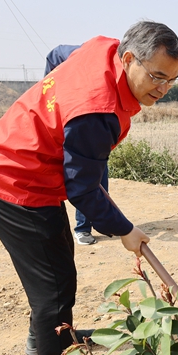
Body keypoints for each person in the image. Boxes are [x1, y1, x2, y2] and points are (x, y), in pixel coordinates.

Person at [0, 21, 178, 355]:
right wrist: (125, 229)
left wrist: (53, 108)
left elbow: (57, 55)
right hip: (15, 179)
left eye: (172, 79)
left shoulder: (101, 48)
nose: (163, 88)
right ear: (128, 58)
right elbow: (83, 189)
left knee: (55, 267)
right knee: (54, 286)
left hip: (27, 165)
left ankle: (46, 338)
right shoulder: (96, 113)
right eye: (157, 76)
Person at [44, 44, 108, 245]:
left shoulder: (109, 73)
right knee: (82, 178)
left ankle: (103, 221)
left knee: (99, 175)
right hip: (71, 123)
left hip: (93, 122)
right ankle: (82, 228)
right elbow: (53, 64)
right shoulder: (72, 58)